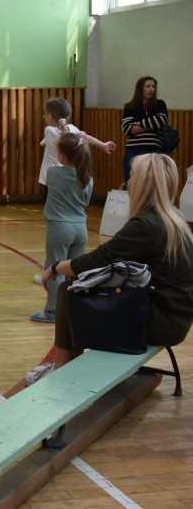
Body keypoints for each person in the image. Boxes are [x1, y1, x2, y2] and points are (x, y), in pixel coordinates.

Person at [27, 153, 193, 383]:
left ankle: (61, 364)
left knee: (69, 290)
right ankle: (70, 362)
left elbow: (99, 260)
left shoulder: (146, 224)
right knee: (79, 289)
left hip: (161, 323)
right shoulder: (174, 219)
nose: (129, 182)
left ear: (143, 184)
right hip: (177, 318)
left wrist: (55, 267)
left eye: (132, 176)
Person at [31, 98, 115, 284]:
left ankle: (50, 271)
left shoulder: (50, 130)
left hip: (55, 182)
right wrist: (102, 145)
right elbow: (85, 137)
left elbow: (67, 137)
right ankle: (64, 271)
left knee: (54, 231)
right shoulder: (73, 129)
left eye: (45, 114)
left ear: (50, 116)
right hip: (73, 186)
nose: (44, 118)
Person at [30, 133, 92, 323]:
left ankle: (53, 310)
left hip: (59, 227)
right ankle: (73, 308)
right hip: (81, 228)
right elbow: (86, 202)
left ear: (63, 156)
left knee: (55, 269)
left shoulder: (53, 173)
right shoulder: (87, 178)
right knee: (74, 270)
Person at [121, 76, 168, 187]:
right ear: (140, 88)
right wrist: (151, 125)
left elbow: (161, 121)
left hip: (154, 148)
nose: (151, 89)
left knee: (154, 183)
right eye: (148, 86)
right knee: (130, 181)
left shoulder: (160, 104)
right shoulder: (130, 107)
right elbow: (126, 128)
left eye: (153, 87)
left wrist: (138, 123)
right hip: (133, 149)